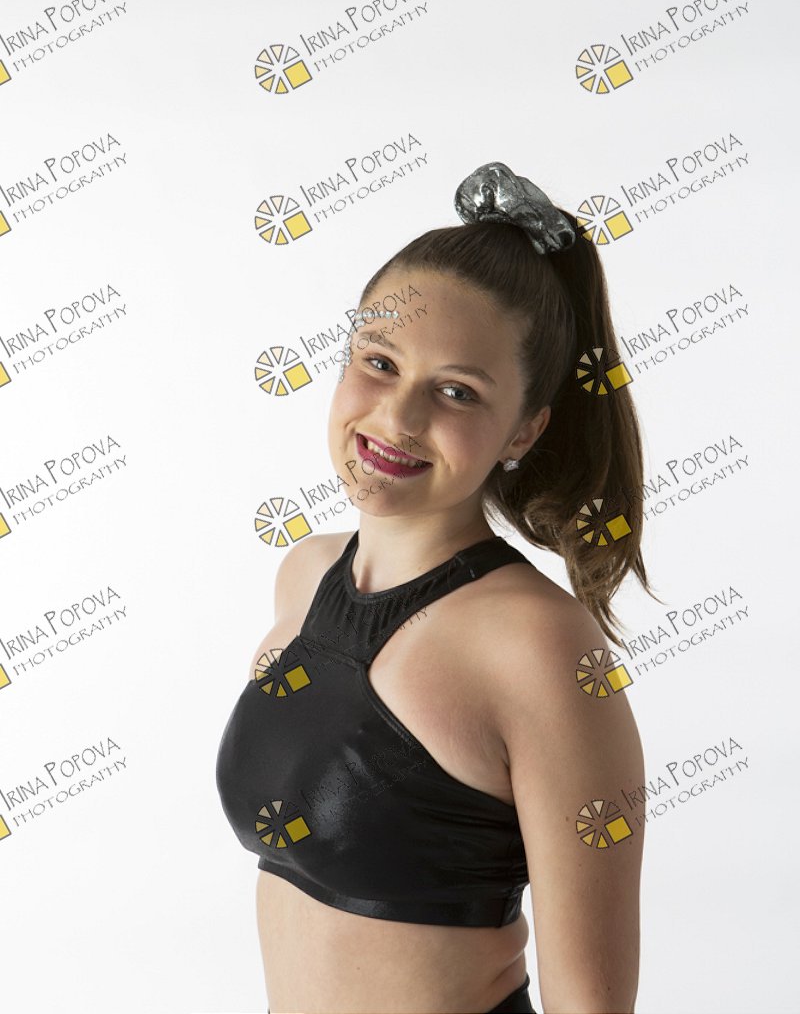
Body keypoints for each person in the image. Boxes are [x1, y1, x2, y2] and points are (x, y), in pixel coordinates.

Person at [216, 161, 652, 1013]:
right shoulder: (304, 578)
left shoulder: (540, 645)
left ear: (524, 429)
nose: (398, 417)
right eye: (379, 362)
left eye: (457, 391)